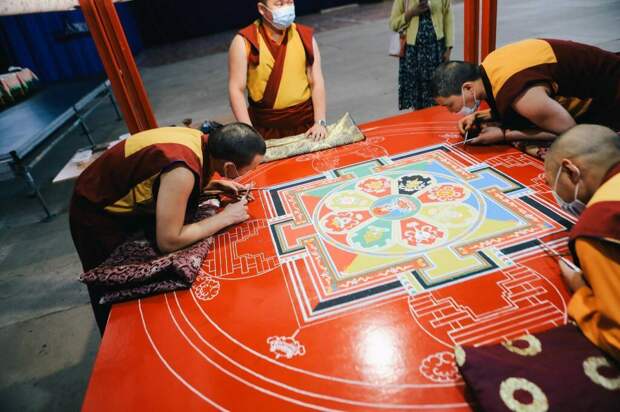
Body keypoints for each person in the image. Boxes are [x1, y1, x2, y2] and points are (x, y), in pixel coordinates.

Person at [70, 123, 266, 332]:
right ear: (229, 168)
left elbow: (159, 177)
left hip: (107, 188)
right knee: (115, 296)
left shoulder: (198, 140)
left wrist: (209, 186)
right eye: (251, 168)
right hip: (96, 212)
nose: (253, 171)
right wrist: (226, 218)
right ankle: (121, 340)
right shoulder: (182, 171)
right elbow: (169, 240)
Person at [431, 39, 620, 146]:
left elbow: (571, 131)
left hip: (612, 93)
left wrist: (504, 135)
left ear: (468, 88)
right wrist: (485, 115)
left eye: (450, 105)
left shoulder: (522, 95)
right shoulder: (490, 64)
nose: (451, 111)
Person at [544, 124, 620, 360]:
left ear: (571, 171)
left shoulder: (601, 223)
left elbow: (616, 338)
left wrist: (579, 287)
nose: (556, 196)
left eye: (552, 183)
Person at [228, 0, 327, 141]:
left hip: (307, 126)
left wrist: (320, 122)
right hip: (264, 129)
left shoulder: (304, 36)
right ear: (262, 9)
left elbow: (316, 81)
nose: (286, 8)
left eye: (289, 2)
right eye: (279, 4)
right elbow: (236, 89)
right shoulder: (244, 42)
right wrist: (249, 133)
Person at [390, 0, 454, 110]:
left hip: (436, 51)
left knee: (438, 94)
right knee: (417, 97)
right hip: (413, 53)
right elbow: (393, 24)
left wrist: (449, 47)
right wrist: (411, 13)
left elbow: (448, 18)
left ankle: (436, 118)